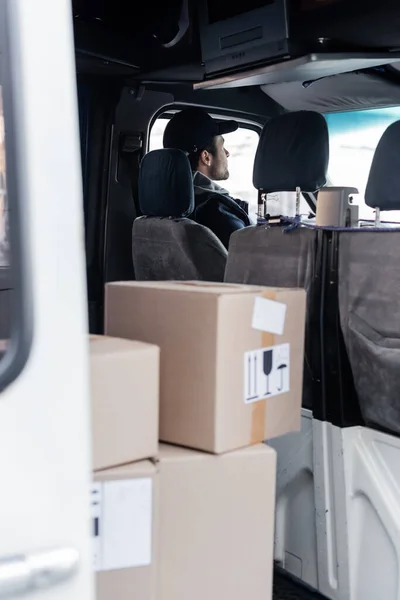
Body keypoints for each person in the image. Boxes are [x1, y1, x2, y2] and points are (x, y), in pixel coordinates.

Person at [163, 107, 251, 249]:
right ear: (206, 157)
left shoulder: (164, 205)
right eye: (222, 146)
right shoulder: (216, 212)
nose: (227, 153)